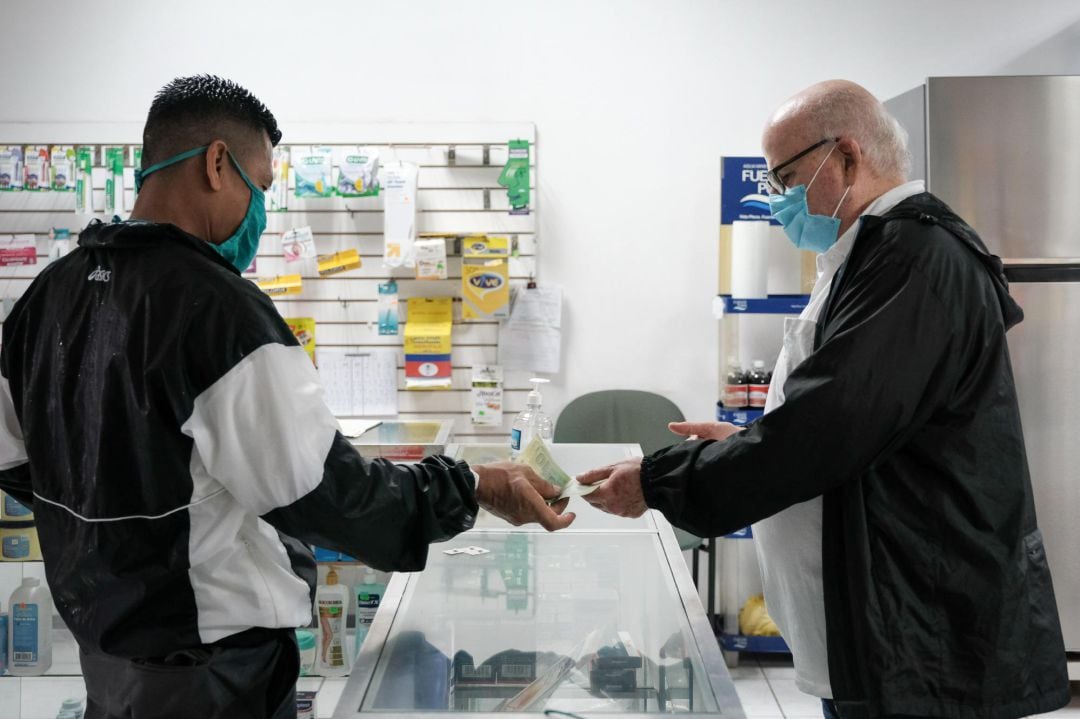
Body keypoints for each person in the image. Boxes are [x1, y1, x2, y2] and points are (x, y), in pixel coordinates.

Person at [0, 75, 574, 719]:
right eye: (262, 186)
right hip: (215, 675)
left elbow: (20, 463)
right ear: (218, 163)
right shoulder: (219, 312)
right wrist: (472, 486)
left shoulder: (46, 297)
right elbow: (337, 499)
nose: (261, 213)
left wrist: (128, 529)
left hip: (107, 670)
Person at [579, 80, 1069, 719]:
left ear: (845, 156)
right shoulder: (872, 255)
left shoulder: (916, 259)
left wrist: (660, 481)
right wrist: (747, 444)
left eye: (785, 178)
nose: (778, 200)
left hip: (920, 632)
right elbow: (853, 422)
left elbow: (827, 427)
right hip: (885, 617)